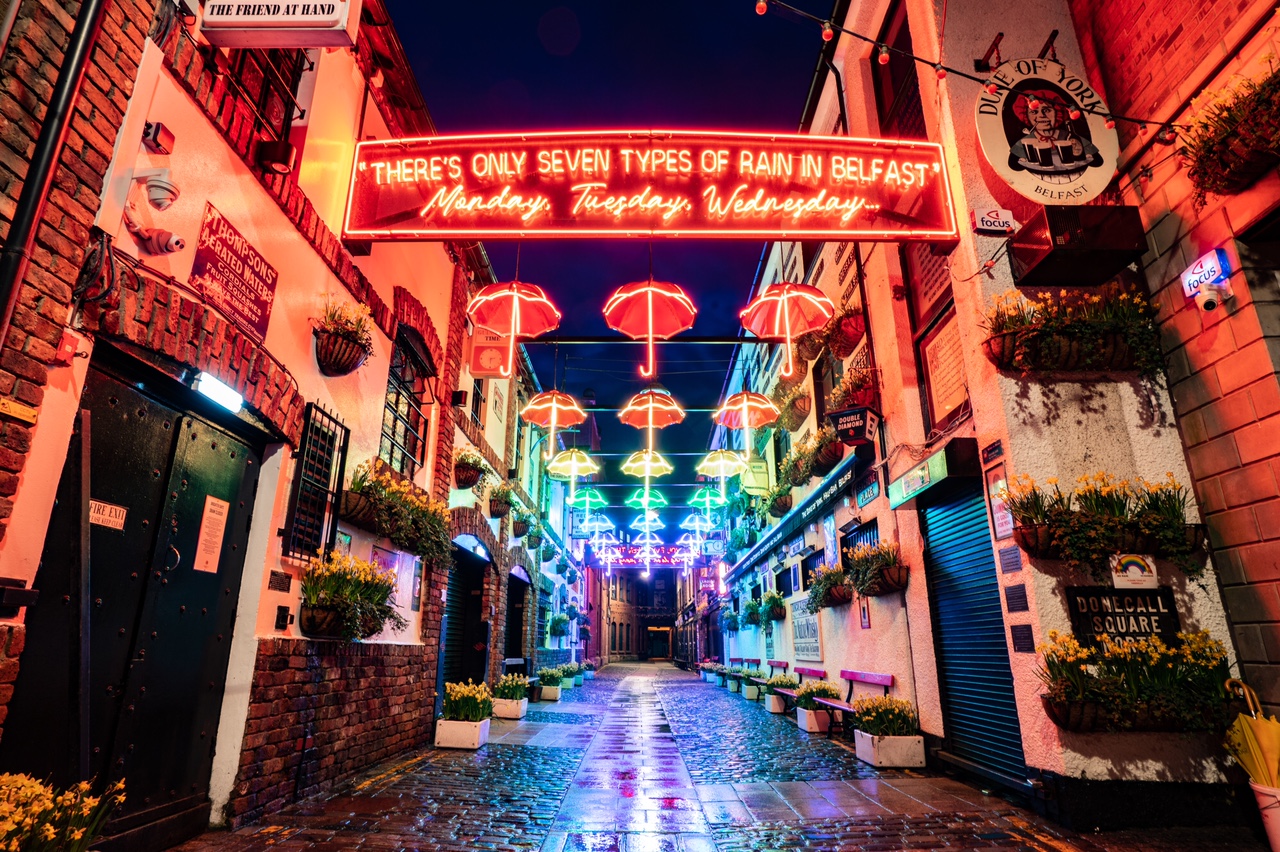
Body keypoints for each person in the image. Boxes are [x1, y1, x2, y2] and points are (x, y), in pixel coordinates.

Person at [1008, 89, 1100, 174]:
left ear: (1057, 112)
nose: (1041, 115)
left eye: (1046, 110)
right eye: (1034, 112)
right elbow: (1014, 166)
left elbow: (1097, 162)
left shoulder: (1069, 137)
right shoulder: (1026, 142)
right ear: (1026, 116)